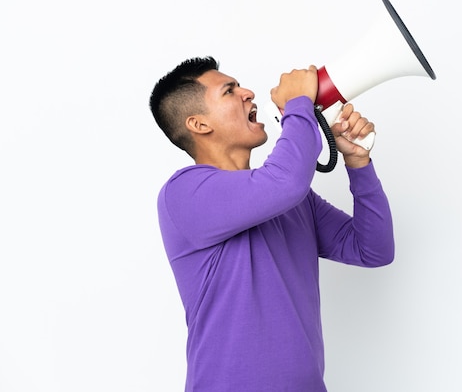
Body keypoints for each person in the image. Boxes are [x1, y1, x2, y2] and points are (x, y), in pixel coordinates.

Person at [149, 56, 394, 392]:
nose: (247, 93)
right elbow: (284, 182)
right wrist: (297, 102)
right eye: (229, 91)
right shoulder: (184, 193)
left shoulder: (291, 198)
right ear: (199, 124)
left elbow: (373, 249)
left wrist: (358, 163)